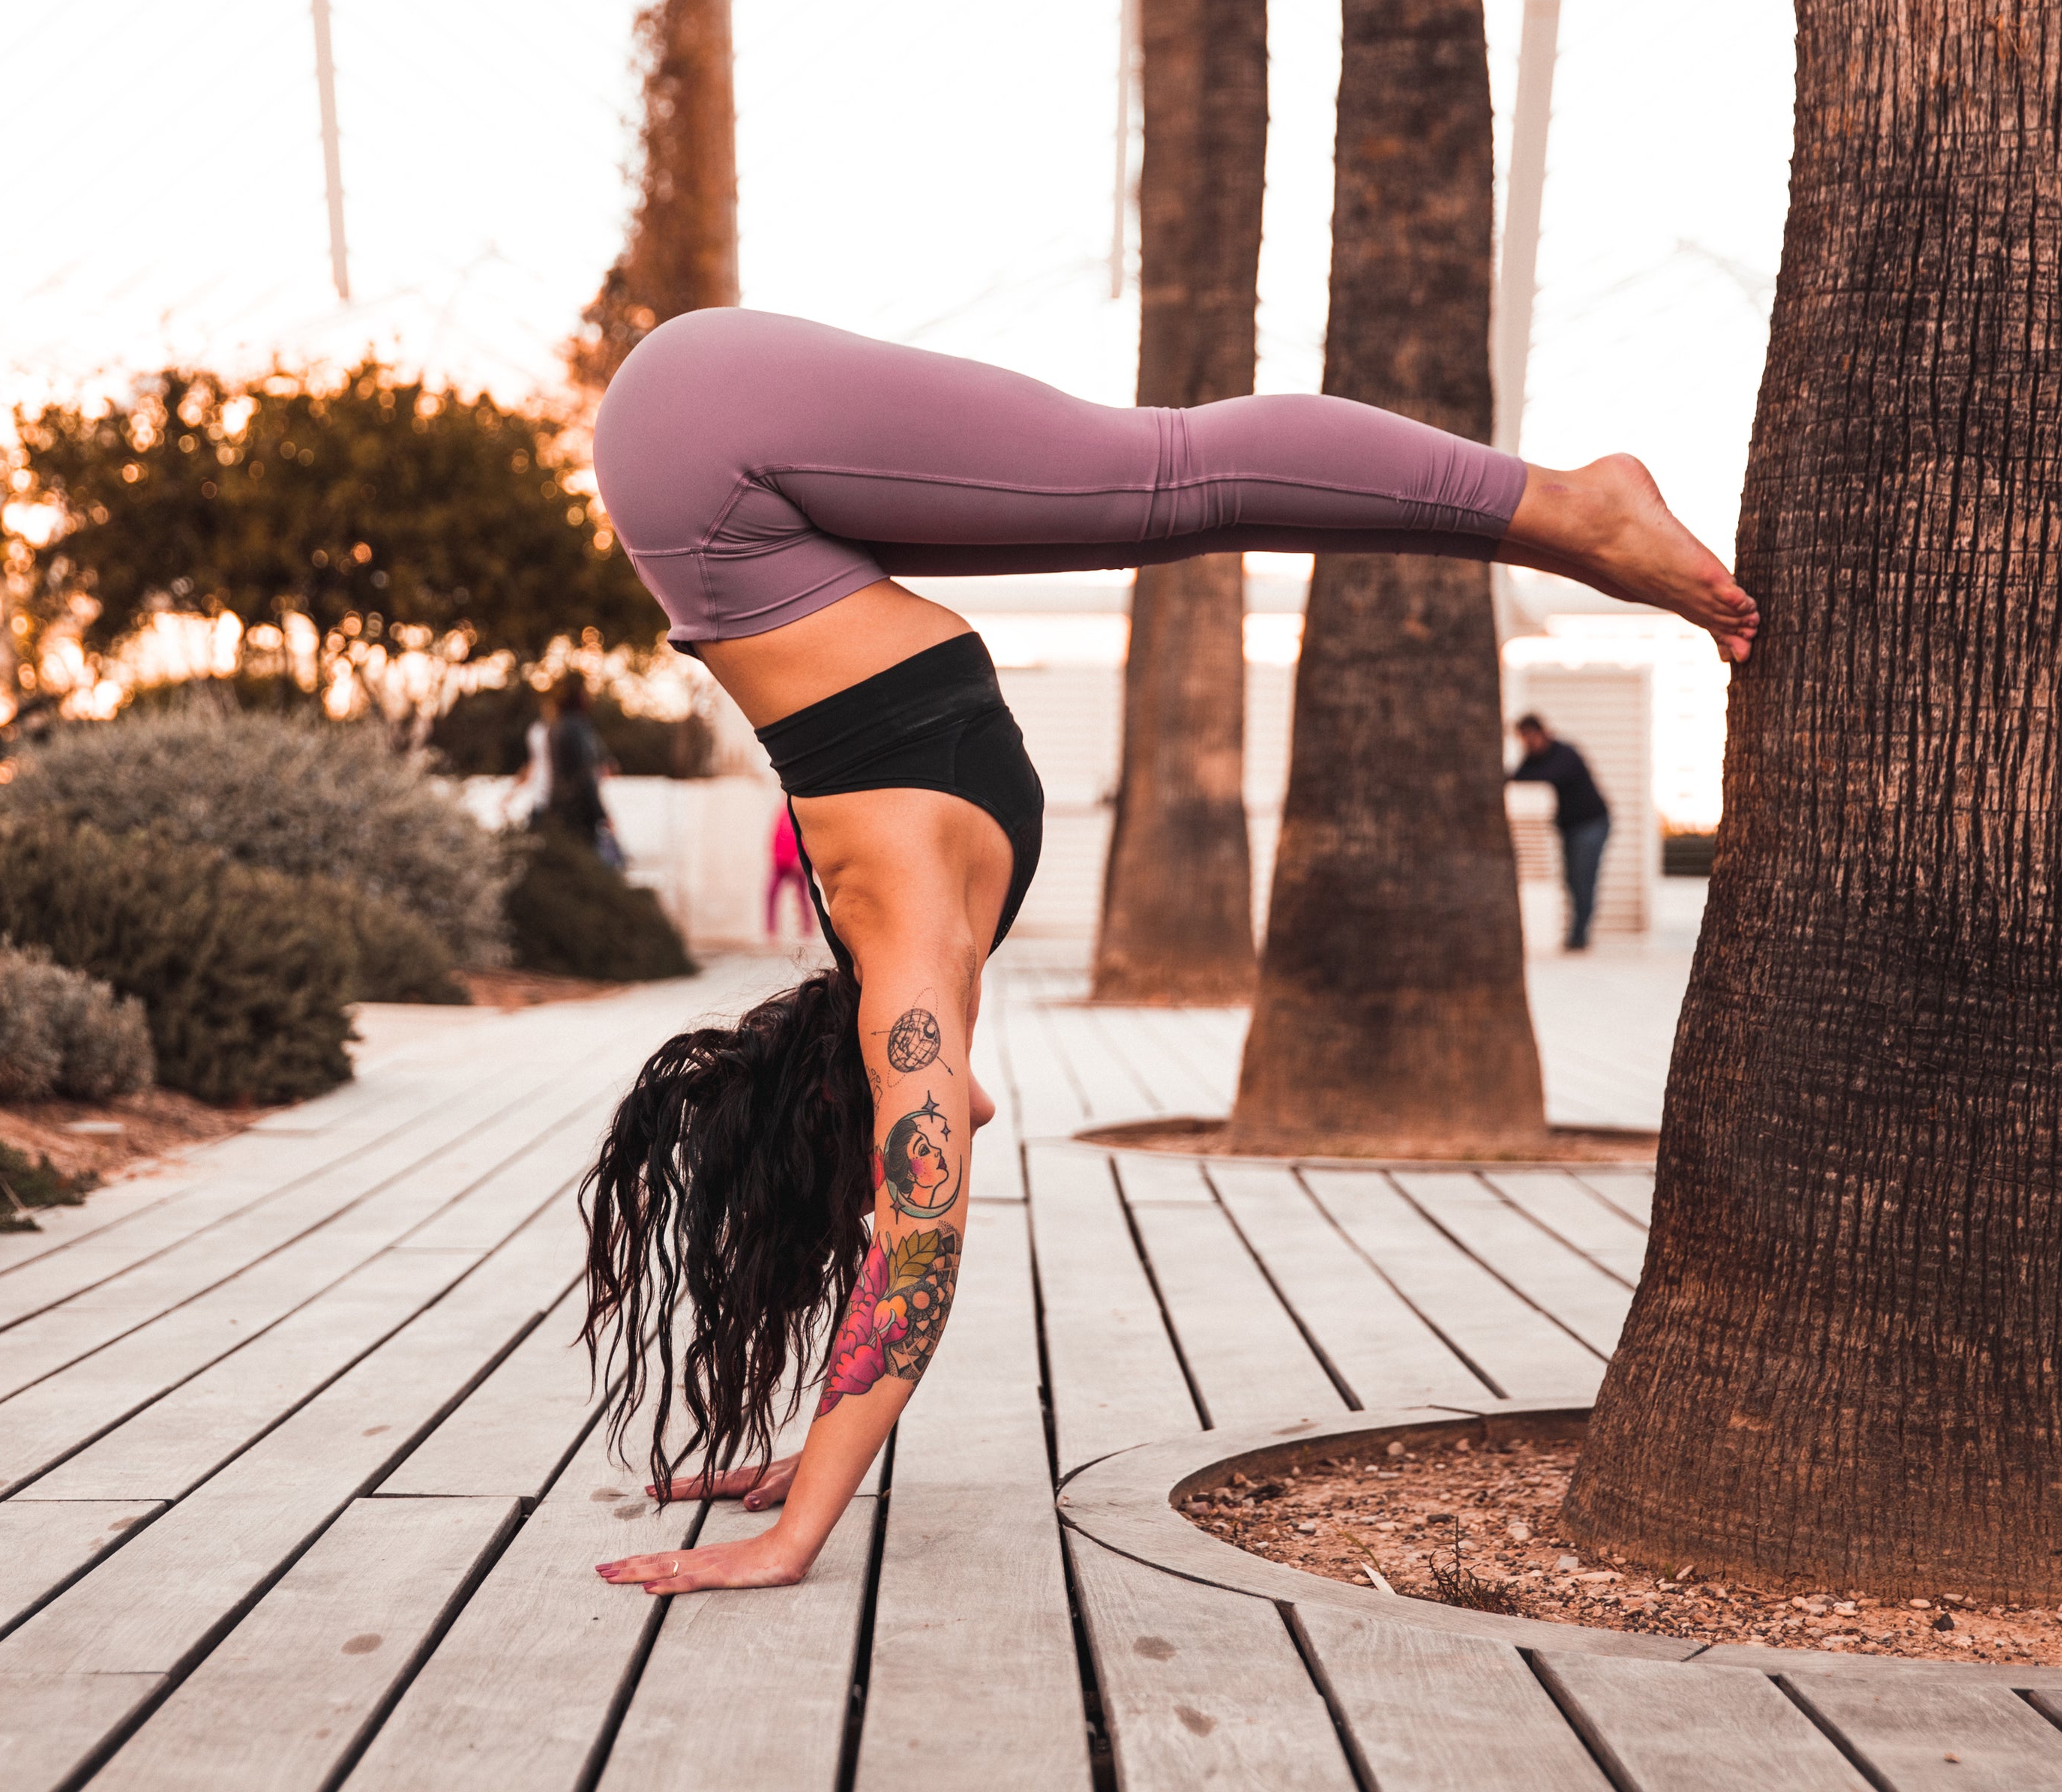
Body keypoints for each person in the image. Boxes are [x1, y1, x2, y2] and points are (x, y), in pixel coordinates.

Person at [579, 309, 1755, 1598]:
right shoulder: (896, 974)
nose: (894, 1176)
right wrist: (808, 1455)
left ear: (844, 1098)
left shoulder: (906, 965)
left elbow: (918, 1254)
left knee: (1174, 478)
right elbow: (935, 1136)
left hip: (709, 449)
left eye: (856, 1172)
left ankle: (1578, 506)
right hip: (725, 494)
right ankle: (1560, 517)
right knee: (1175, 497)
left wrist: (795, 1532)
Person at [1510, 713, 1612, 951]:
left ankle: (1579, 936)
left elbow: (1547, 776)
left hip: (1591, 824)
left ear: (1542, 732)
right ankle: (1577, 933)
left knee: (1583, 878)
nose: (1528, 743)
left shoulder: (1565, 753)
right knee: (1572, 880)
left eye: (1530, 736)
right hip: (1570, 829)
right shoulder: (1532, 760)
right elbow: (1519, 777)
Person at [541, 685, 623, 869]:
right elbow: (585, 776)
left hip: (557, 806)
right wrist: (601, 814)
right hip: (579, 810)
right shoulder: (578, 728)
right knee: (586, 866)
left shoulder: (556, 726)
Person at [766, 800, 816, 941]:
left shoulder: (801, 812)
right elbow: (775, 836)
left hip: (797, 862)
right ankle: (771, 932)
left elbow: (806, 839)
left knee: (804, 896)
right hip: (781, 863)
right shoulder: (782, 811)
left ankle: (807, 931)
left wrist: (803, 860)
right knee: (772, 895)